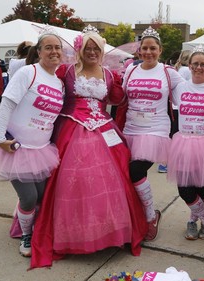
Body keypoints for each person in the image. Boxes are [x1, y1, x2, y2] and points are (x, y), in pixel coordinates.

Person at [30, 25, 148, 268]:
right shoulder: (66, 71)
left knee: (113, 178)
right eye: (88, 48)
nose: (92, 52)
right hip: (72, 127)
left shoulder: (109, 74)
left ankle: (109, 230)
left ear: (102, 51)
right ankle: (73, 233)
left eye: (96, 48)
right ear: (80, 49)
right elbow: (44, 84)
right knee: (74, 180)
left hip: (105, 129)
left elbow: (120, 99)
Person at [0, 33, 65, 257]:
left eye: (57, 47)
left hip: (42, 150)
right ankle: (26, 236)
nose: (54, 51)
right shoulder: (29, 73)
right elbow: (7, 104)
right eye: (48, 47)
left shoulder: (59, 83)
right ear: (38, 52)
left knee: (40, 197)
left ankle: (31, 226)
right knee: (28, 197)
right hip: (17, 148)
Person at [121, 26, 186, 241]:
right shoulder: (130, 70)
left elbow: (188, 95)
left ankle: (150, 217)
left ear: (160, 50)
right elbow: (120, 96)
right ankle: (135, 214)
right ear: (139, 51)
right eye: (144, 48)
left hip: (155, 131)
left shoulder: (169, 73)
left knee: (135, 172)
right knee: (129, 175)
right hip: (130, 130)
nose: (148, 52)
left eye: (153, 48)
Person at [167, 45, 204, 240]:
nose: (199, 67)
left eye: (203, 64)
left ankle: (193, 221)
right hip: (184, 142)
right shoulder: (179, 87)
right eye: (195, 64)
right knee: (184, 188)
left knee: (201, 187)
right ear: (188, 66)